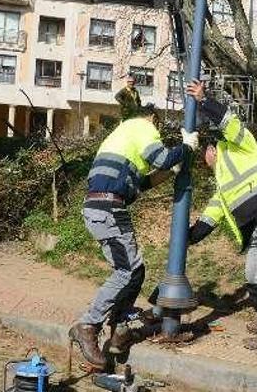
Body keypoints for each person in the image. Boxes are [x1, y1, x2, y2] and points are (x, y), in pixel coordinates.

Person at [69, 103, 198, 369]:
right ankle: (88, 325)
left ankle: (119, 329)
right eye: (159, 126)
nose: (158, 132)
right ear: (153, 118)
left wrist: (171, 172)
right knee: (126, 271)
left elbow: (142, 183)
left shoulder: (123, 137)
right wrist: (186, 147)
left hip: (106, 206)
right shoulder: (143, 126)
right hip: (108, 208)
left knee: (136, 270)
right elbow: (161, 158)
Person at [184, 80, 257, 352]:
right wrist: (186, 238)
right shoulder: (223, 182)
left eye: (207, 149)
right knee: (253, 275)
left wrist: (204, 100)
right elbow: (210, 217)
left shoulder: (241, 144)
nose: (206, 154)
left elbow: (229, 122)